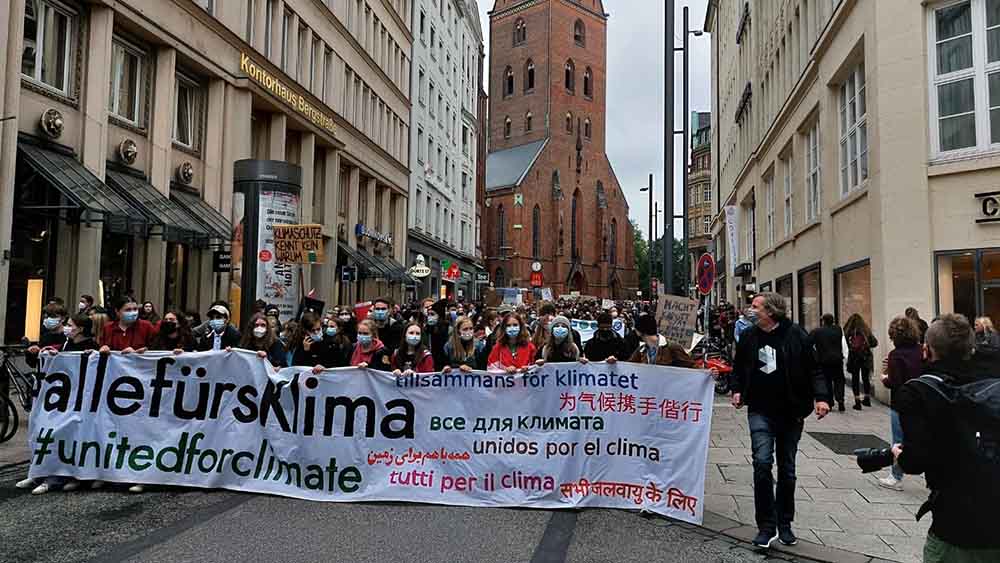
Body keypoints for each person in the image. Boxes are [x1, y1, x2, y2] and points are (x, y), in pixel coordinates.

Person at [893, 314, 1000, 561]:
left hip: (954, 525)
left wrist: (899, 455)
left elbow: (915, 460)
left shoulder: (920, 391)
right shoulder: (991, 380)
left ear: (927, 350)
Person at [731, 292, 831, 549]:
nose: (750, 310)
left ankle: (784, 523)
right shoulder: (749, 336)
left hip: (790, 412)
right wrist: (737, 389)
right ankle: (766, 526)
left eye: (755, 306)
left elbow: (815, 369)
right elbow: (739, 366)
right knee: (762, 463)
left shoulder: (796, 335)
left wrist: (822, 398)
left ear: (770, 311)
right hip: (760, 410)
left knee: (787, 470)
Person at [15, 314, 99, 495]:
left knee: (64, 436)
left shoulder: (92, 347)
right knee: (44, 432)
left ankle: (57, 478)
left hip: (79, 402)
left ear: (80, 329)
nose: (67, 328)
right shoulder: (67, 343)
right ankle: (38, 472)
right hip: (60, 398)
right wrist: (50, 353)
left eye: (70, 325)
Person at [877, 316, 923, 491]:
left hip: (901, 404)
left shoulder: (895, 355)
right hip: (922, 401)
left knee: (898, 440)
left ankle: (896, 476)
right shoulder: (922, 350)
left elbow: (894, 382)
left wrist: (884, 378)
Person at [627, 314, 697, 368]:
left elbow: (692, 367)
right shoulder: (641, 349)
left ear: (639, 331)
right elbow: (627, 366)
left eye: (635, 328)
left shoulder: (671, 347)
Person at [810, 313, 846, 412]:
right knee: (839, 380)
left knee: (827, 381)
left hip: (823, 360)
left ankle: (830, 402)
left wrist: (815, 354)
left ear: (823, 321)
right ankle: (840, 400)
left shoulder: (817, 331)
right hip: (837, 360)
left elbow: (808, 343)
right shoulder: (838, 329)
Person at [844, 313, 878, 410]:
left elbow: (846, 345)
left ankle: (857, 402)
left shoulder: (849, 331)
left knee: (855, 379)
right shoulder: (866, 330)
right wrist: (865, 346)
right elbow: (875, 343)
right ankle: (867, 399)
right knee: (865, 378)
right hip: (865, 357)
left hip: (854, 357)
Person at [26, 302, 68, 369]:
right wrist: (32, 353)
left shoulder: (69, 336)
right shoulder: (45, 336)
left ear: (63, 319)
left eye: (52, 316)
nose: (48, 319)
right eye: (46, 317)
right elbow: (34, 364)